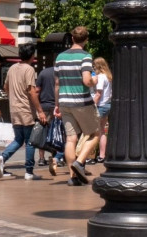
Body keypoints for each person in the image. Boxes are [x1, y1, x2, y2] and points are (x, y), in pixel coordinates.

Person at [55, 26, 100, 187]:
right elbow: (87, 80)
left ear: (72, 39)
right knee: (95, 134)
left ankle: (73, 177)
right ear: (86, 40)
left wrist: (57, 105)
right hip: (81, 102)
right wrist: (95, 81)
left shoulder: (60, 57)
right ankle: (80, 162)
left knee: (71, 139)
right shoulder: (85, 56)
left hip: (64, 102)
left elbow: (57, 83)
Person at [0, 44, 47, 180]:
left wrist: (13, 97)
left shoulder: (12, 68)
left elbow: (5, 86)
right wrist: (40, 111)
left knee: (19, 139)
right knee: (30, 141)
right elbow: (31, 91)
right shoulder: (29, 69)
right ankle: (29, 171)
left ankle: (2, 157)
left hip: (14, 109)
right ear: (32, 55)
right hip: (26, 109)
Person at [34, 61, 58, 173]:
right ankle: (55, 157)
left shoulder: (43, 73)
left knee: (42, 131)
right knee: (56, 132)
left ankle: (41, 158)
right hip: (56, 106)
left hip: (43, 106)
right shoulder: (60, 73)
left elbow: (37, 91)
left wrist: (37, 108)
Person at [92, 57, 112, 163]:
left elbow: (98, 94)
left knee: (94, 131)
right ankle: (102, 155)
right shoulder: (108, 77)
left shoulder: (100, 77)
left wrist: (92, 106)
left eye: (94, 66)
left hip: (100, 106)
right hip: (107, 105)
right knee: (102, 131)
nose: (93, 68)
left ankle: (91, 156)